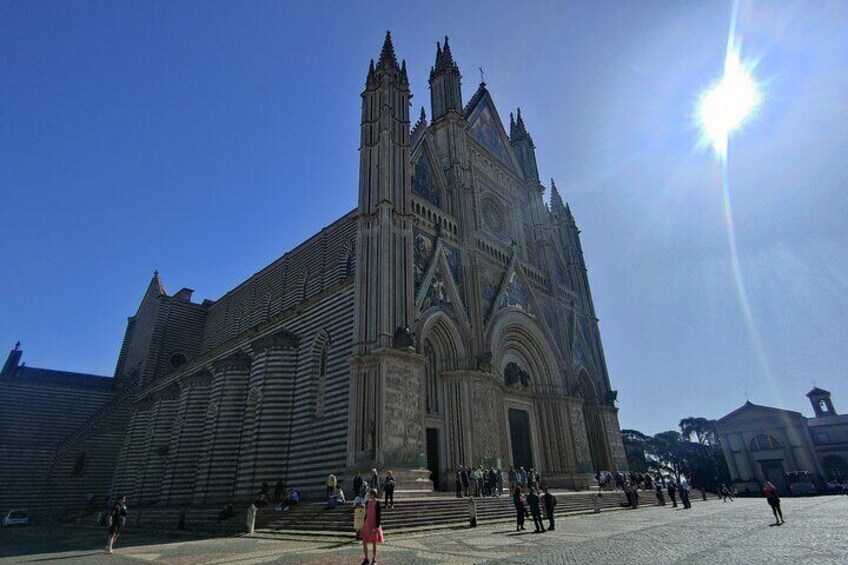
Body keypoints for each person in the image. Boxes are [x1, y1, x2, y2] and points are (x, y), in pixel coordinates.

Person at [360, 488, 384, 565]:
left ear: (373, 495)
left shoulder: (377, 502)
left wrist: (377, 526)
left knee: (374, 542)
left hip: (373, 524)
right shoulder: (367, 502)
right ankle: (366, 558)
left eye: (369, 494)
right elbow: (366, 513)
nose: (368, 495)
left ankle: (374, 559)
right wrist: (363, 523)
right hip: (367, 524)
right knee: (364, 541)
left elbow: (378, 515)